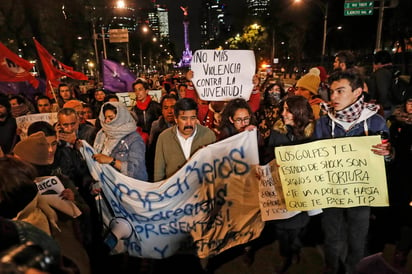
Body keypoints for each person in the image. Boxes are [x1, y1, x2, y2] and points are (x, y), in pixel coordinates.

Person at [315, 68, 393, 274]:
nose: (333, 97)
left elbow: (387, 160)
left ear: (358, 92)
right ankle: (332, 267)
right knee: (332, 236)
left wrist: (387, 153)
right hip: (331, 192)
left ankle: (353, 270)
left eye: (340, 91)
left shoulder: (376, 122)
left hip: (361, 194)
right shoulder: (323, 122)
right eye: (331, 92)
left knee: (358, 239)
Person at [13, 131, 92, 274]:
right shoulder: (14, 188)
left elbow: (85, 211)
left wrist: (73, 200)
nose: (13, 162)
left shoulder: (61, 180)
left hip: (66, 255)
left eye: (17, 159)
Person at [264, 95, 319, 273]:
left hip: (304, 189)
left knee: (299, 227)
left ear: (299, 112)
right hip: (281, 190)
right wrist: (273, 162)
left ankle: (294, 249)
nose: (283, 113)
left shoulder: (315, 133)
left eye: (287, 110)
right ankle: (284, 253)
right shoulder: (277, 132)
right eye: (283, 109)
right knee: (281, 228)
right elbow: (267, 156)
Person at [154, 97, 216, 181]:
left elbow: (214, 168)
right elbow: (158, 174)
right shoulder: (164, 138)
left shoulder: (208, 135)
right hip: (174, 191)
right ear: (176, 119)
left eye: (193, 118)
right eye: (184, 118)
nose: (189, 123)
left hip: (200, 190)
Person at [93, 102, 148, 181]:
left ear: (120, 118)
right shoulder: (102, 134)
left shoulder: (134, 139)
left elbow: (137, 171)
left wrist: (111, 161)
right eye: (105, 118)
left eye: (111, 118)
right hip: (106, 184)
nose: (107, 121)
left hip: (127, 187)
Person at [147, 94, 177, 181]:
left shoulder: (185, 126)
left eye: (173, 107)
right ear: (162, 110)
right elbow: (152, 154)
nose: (170, 111)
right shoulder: (156, 127)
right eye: (166, 108)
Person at [367, 50, 396, 119]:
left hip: (385, 109)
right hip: (393, 106)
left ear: (379, 63)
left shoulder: (381, 73)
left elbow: (383, 92)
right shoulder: (393, 70)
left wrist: (379, 106)